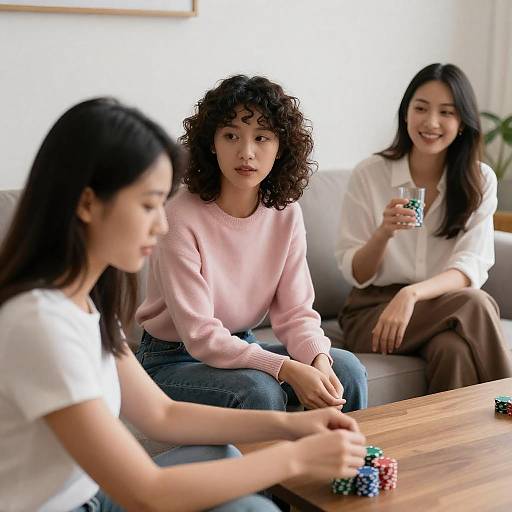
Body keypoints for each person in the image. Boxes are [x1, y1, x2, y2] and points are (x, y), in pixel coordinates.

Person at [0, 98, 367, 512]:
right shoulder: (39, 325)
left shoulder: (85, 304)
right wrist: (295, 456)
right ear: (86, 204)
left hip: (92, 496)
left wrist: (293, 425)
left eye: (161, 202)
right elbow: (146, 493)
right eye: (147, 204)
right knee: (253, 508)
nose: (161, 223)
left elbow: (162, 415)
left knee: (224, 454)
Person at [135, 75, 367, 412]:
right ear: (212, 143)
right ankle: (274, 467)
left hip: (241, 344)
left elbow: (296, 313)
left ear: (280, 147)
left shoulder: (286, 215)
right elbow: (199, 334)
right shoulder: (179, 216)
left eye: (262, 138)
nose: (246, 152)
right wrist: (286, 368)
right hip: (171, 359)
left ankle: (350, 463)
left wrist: (318, 360)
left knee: (345, 370)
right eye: (231, 136)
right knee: (260, 391)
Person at [336, 63, 512, 393]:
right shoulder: (370, 174)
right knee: (475, 303)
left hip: (439, 306)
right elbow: (356, 274)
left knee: (453, 350)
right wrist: (383, 233)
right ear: (406, 114)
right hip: (371, 313)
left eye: (446, 112)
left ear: (462, 123)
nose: (431, 122)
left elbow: (469, 265)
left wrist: (411, 294)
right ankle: (508, 404)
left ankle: (452, 445)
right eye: (421, 108)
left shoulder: (479, 179)